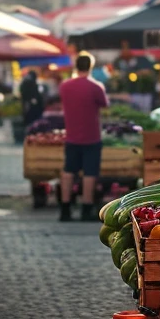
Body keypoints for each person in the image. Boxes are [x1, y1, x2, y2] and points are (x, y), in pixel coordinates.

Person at [59, 52, 109, 222]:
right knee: (89, 173)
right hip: (91, 136)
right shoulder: (96, 87)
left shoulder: (65, 86)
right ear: (90, 67)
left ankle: (65, 209)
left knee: (68, 171)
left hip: (71, 135)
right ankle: (86, 209)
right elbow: (104, 104)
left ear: (76, 66)